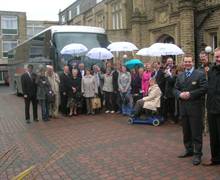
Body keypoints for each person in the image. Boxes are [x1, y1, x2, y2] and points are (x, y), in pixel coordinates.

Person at [174, 54, 208, 166]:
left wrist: (190, 94)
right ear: (183, 63)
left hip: (195, 108)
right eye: (185, 62)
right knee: (186, 131)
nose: (187, 63)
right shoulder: (180, 75)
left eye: (189, 61)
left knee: (196, 132)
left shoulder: (200, 74)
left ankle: (198, 154)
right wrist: (179, 94)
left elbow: (204, 88)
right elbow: (174, 89)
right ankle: (188, 150)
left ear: (193, 62)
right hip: (183, 108)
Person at [203, 48, 220, 166]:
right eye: (217, 57)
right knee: (214, 136)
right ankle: (215, 159)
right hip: (211, 108)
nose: (218, 59)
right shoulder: (212, 70)